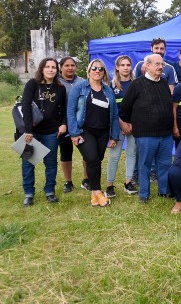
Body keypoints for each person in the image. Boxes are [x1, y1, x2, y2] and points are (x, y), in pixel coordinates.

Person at [120, 53, 174, 203]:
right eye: (157, 64)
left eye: (162, 64)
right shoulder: (137, 84)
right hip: (145, 134)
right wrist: (129, 123)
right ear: (147, 66)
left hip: (165, 133)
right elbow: (125, 107)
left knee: (164, 164)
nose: (160, 67)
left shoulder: (163, 83)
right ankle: (144, 194)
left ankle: (164, 191)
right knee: (144, 164)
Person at [67, 59, 120, 207]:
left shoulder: (108, 90)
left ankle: (94, 195)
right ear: (88, 71)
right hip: (84, 131)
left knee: (97, 159)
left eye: (101, 69)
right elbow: (70, 111)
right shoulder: (79, 88)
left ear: (104, 72)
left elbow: (114, 114)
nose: (97, 71)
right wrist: (74, 133)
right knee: (92, 158)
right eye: (94, 68)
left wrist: (114, 135)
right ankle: (98, 191)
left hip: (103, 132)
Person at [20, 58, 67, 207]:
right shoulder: (32, 84)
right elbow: (26, 106)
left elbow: (64, 109)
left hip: (51, 132)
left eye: (53, 67)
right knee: (28, 163)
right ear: (42, 69)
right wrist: (28, 130)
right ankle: (28, 194)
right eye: (48, 67)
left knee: (51, 163)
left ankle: (49, 191)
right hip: (32, 132)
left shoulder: (60, 88)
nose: (51, 70)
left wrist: (63, 124)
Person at [106, 55, 138, 197]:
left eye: (128, 65)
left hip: (133, 125)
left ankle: (128, 182)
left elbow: (139, 106)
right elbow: (111, 109)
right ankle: (110, 185)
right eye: (122, 65)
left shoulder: (136, 84)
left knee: (132, 153)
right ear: (117, 67)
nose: (125, 67)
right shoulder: (111, 86)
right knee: (115, 155)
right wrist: (122, 124)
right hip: (117, 125)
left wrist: (131, 124)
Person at [58, 56, 87, 193]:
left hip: (81, 123)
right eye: (67, 65)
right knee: (66, 152)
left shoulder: (82, 81)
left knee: (87, 152)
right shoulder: (56, 82)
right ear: (61, 67)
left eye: (72, 65)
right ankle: (68, 181)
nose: (70, 68)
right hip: (64, 123)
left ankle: (86, 179)